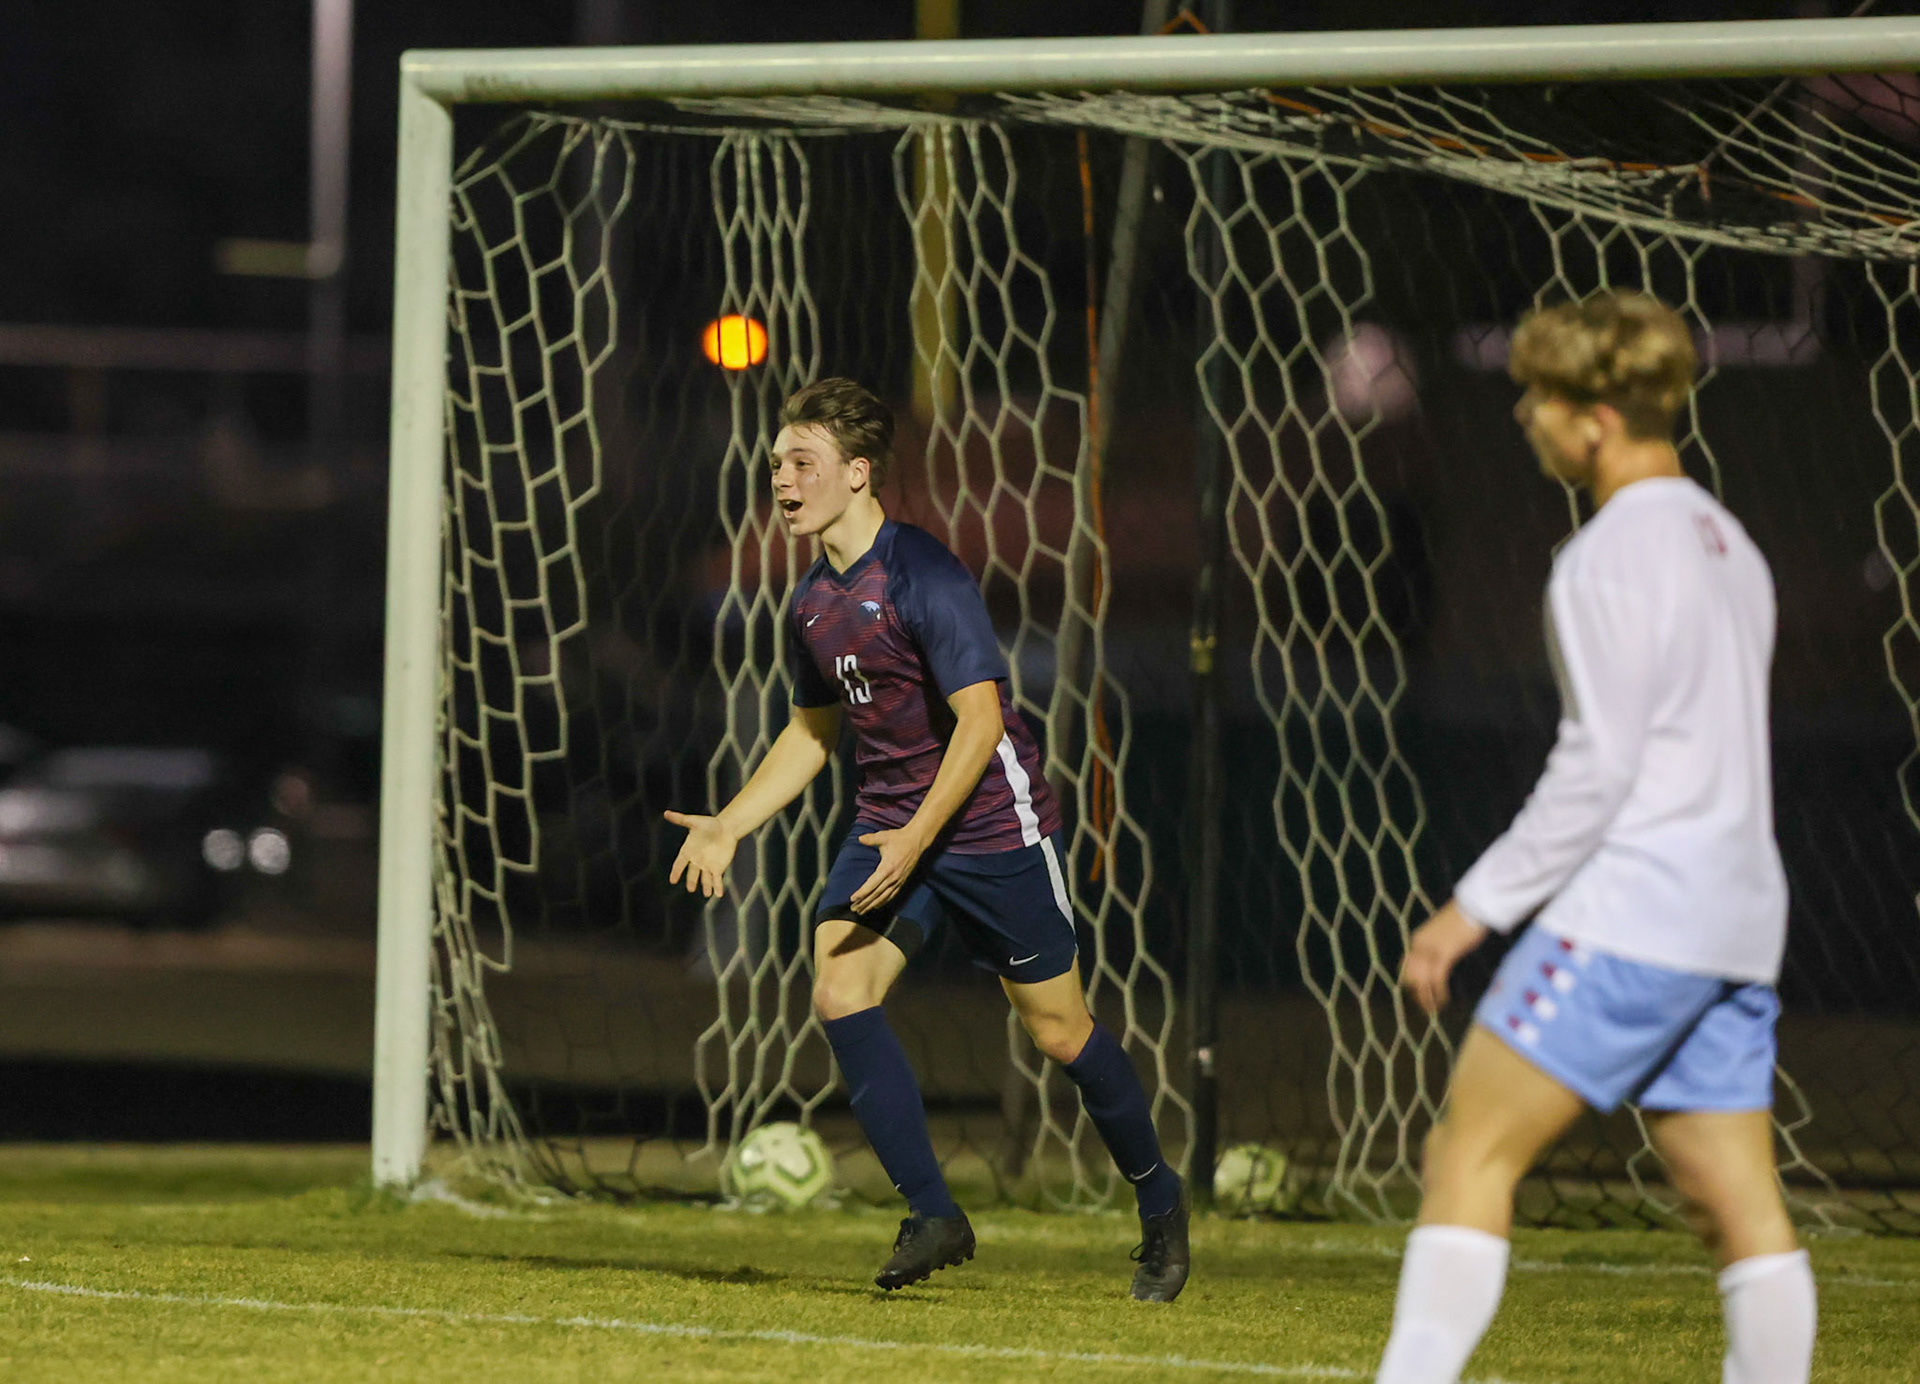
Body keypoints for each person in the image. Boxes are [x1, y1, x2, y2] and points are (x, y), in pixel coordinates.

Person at [665, 377, 1189, 1300]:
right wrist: (730, 825)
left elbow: (981, 724)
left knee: (1060, 1031)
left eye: (803, 464)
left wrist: (915, 841)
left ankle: (1160, 1201)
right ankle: (934, 1212)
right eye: (778, 463)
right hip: (892, 825)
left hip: (989, 825)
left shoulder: (924, 576)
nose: (782, 479)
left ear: (858, 474)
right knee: (839, 985)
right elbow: (812, 734)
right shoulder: (814, 605)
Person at [1375, 291, 1815, 1384]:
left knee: (1467, 1152)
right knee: (1737, 1208)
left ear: (1594, 420)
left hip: (1638, 912)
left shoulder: (1605, 557)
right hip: (1736, 921)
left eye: (1540, 394)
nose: (1524, 413)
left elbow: (1600, 768)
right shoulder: (1730, 542)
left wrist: (1468, 913)